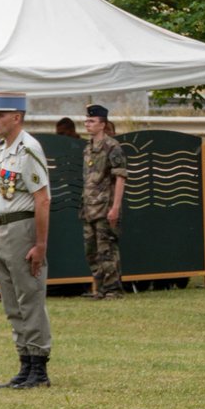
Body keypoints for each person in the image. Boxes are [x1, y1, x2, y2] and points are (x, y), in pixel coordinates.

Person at [0, 93, 53, 390]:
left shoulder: (28, 149)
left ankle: (39, 366)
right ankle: (25, 362)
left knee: (30, 297)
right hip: (1, 228)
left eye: (0, 115)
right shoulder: (1, 150)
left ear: (17, 117)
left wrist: (40, 244)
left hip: (21, 229)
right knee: (12, 301)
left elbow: (43, 199)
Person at [81, 103, 127, 300]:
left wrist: (115, 207)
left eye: (91, 121)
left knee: (106, 249)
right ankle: (100, 289)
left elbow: (120, 177)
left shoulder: (112, 147)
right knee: (91, 251)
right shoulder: (88, 148)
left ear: (102, 124)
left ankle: (113, 289)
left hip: (105, 207)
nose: (87, 124)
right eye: (86, 121)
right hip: (89, 208)